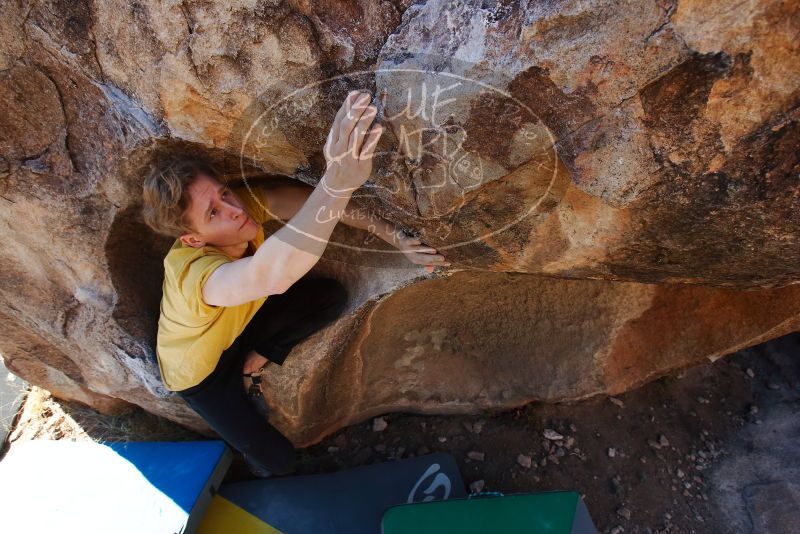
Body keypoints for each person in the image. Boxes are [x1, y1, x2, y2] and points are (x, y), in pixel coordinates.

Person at [141, 90, 450, 477]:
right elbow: (269, 274)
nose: (235, 210)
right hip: (202, 373)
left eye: (225, 194)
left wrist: (394, 236)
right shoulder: (195, 278)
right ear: (193, 239)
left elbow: (312, 207)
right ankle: (254, 476)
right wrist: (336, 180)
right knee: (276, 459)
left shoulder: (241, 211)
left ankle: (255, 359)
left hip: (240, 323)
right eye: (214, 212)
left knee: (327, 296)